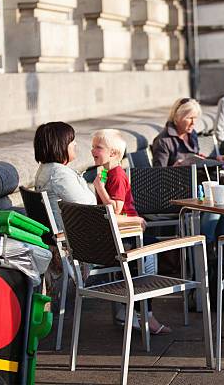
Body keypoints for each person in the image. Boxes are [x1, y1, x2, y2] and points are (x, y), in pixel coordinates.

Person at [91, 128, 171, 334]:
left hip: (126, 232)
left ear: (114, 154)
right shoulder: (108, 173)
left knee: (148, 258)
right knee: (147, 262)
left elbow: (114, 210)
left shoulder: (116, 175)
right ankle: (144, 314)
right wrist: (100, 188)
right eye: (93, 147)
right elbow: (113, 211)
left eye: (98, 147)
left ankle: (136, 308)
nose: (92, 151)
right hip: (124, 233)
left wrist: (100, 189)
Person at [34, 121, 96, 230]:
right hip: (78, 236)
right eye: (71, 141)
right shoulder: (60, 175)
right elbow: (87, 207)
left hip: (69, 230)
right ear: (60, 145)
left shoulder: (46, 169)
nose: (75, 144)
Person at [151, 98, 202, 167]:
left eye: (195, 118)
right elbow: (158, 174)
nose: (193, 122)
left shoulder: (192, 133)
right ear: (177, 117)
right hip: (177, 177)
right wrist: (174, 169)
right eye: (189, 118)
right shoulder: (163, 141)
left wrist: (212, 159)